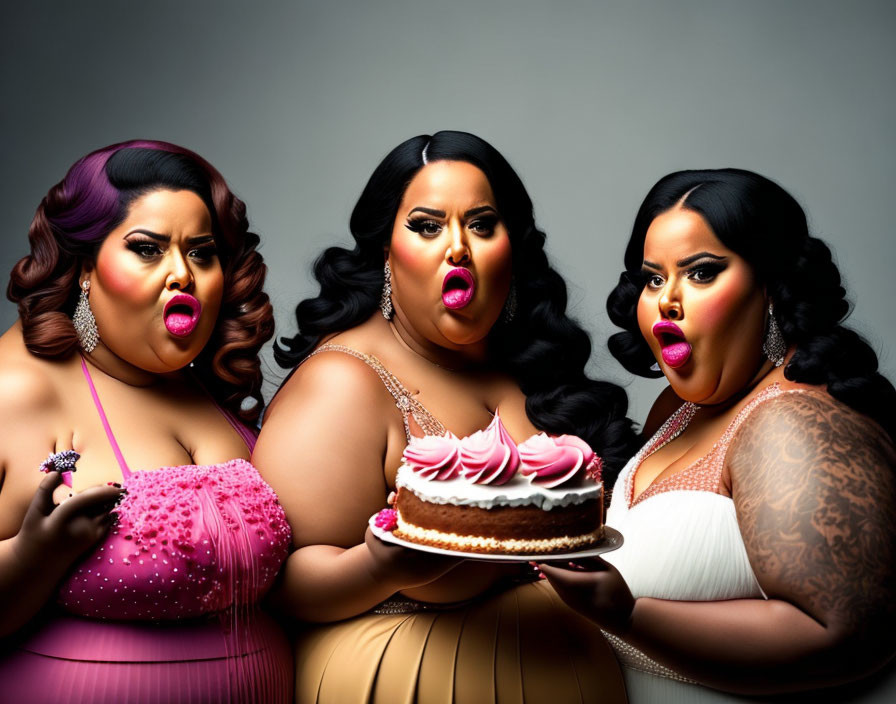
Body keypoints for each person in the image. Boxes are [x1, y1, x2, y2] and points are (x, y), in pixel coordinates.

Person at [253, 130, 637, 703]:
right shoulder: (342, 381)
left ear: (514, 246)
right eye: (427, 226)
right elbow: (287, 582)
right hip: (410, 677)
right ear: (386, 249)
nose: (458, 247)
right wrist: (384, 567)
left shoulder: (524, 367)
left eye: (482, 225)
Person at [540, 168, 896, 702]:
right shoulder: (679, 408)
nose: (667, 300)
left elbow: (845, 635)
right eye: (654, 278)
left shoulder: (792, 424)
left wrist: (629, 614)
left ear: (772, 288)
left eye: (701, 273)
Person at [0, 140, 292, 703]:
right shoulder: (20, 389)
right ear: (85, 268)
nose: (181, 274)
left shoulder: (205, 384)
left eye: (201, 253)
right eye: (147, 249)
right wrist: (33, 555)